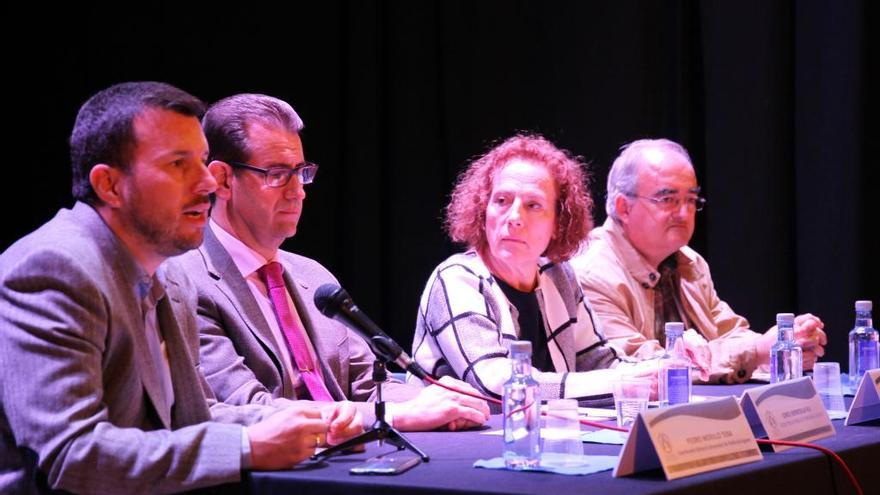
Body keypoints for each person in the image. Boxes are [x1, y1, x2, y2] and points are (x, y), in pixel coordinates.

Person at [0, 82, 362, 494]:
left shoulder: (169, 274)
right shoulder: (53, 269)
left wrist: (299, 424)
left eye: (203, 161)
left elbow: (193, 417)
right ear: (109, 186)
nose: (208, 183)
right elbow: (73, 456)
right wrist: (245, 446)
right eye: (178, 165)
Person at [169, 93, 489, 431]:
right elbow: (246, 406)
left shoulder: (313, 276)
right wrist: (391, 417)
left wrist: (439, 398)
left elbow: (366, 384)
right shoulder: (186, 281)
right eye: (277, 174)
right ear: (221, 179)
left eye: (301, 172)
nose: (298, 192)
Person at [412, 134, 657, 406]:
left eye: (533, 205)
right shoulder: (456, 280)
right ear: (483, 211)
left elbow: (599, 361)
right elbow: (500, 386)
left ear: (559, 222)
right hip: (464, 444)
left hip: (545, 435)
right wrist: (627, 383)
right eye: (502, 200)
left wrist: (659, 369)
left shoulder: (558, 275)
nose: (515, 217)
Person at [570, 138, 827, 383]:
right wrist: (758, 350)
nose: (683, 213)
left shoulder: (689, 262)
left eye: (691, 200)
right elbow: (638, 366)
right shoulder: (591, 273)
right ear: (624, 207)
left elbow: (732, 333)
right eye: (668, 199)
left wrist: (785, 347)